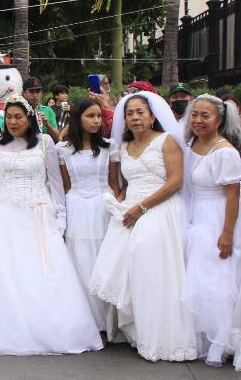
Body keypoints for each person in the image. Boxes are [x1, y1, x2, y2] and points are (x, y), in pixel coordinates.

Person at [0, 94, 102, 355]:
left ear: (29, 119)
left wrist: (60, 217)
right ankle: (2, 328)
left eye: (19, 117)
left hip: (38, 213)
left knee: (40, 273)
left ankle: (46, 328)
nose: (13, 122)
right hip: (2, 211)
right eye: (10, 117)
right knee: (2, 272)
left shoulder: (44, 143)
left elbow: (56, 183)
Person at [89, 92, 197, 362]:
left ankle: (160, 334)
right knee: (126, 270)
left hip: (159, 209)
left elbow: (175, 182)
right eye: (130, 113)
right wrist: (122, 203)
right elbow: (125, 184)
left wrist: (142, 208)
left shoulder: (166, 141)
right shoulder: (124, 146)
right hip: (131, 210)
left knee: (150, 270)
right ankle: (136, 328)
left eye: (140, 112)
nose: (135, 118)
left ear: (152, 116)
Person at [181, 94, 241, 367]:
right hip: (195, 216)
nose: (198, 120)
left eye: (206, 116)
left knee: (218, 280)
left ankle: (221, 338)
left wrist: (227, 234)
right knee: (199, 278)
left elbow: (232, 196)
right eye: (195, 114)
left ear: (218, 120)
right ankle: (201, 334)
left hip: (217, 217)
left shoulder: (225, 151)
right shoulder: (192, 143)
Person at [57, 98, 121, 332]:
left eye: (98, 116)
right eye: (90, 116)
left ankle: (108, 322)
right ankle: (84, 320)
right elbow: (64, 186)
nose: (96, 121)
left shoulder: (109, 146)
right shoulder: (62, 149)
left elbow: (114, 183)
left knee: (103, 261)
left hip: (103, 206)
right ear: (78, 119)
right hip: (76, 207)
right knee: (79, 262)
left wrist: (120, 208)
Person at [22, 77, 60, 141]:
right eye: (31, 92)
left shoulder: (48, 110)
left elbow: (58, 137)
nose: (35, 95)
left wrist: (47, 124)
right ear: (24, 93)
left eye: (38, 91)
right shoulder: (18, 111)